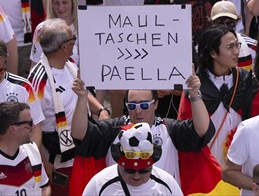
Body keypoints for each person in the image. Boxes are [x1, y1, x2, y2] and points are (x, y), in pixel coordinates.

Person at [70, 65, 215, 194]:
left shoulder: (170, 129)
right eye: (132, 106)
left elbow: (202, 130)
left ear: (156, 104)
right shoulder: (113, 129)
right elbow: (79, 134)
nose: (138, 111)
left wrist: (194, 94)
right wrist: (82, 97)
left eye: (144, 105)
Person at [28, 18, 110, 195]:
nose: (75, 43)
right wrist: (42, 162)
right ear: (64, 47)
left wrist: (100, 110)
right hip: (58, 161)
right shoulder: (39, 82)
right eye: (73, 40)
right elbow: (32, 126)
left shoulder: (69, 65)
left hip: (81, 152)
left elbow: (82, 91)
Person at [178, 25, 259, 167]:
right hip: (205, 161)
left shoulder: (246, 80)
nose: (237, 52)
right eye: (230, 47)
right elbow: (185, 125)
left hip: (240, 159)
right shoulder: (195, 84)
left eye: (237, 45)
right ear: (213, 53)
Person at [144, 0, 226, 119]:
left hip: (209, 75)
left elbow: (224, 31)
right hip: (169, 79)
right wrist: (154, 84)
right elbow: (148, 40)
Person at [83, 122, 183, 195]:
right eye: (129, 171)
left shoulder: (167, 183)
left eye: (143, 171)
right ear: (119, 164)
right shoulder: (99, 183)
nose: (136, 176)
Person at [30, 0, 81, 67]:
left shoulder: (83, 27)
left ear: (73, 2)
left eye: (65, 2)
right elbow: (35, 65)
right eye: (56, 3)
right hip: (49, 79)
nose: (60, 7)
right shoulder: (41, 29)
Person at [209, 0, 257, 71]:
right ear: (212, 23)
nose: (225, 27)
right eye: (220, 23)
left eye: (229, 23)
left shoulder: (253, 47)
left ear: (237, 22)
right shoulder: (203, 48)